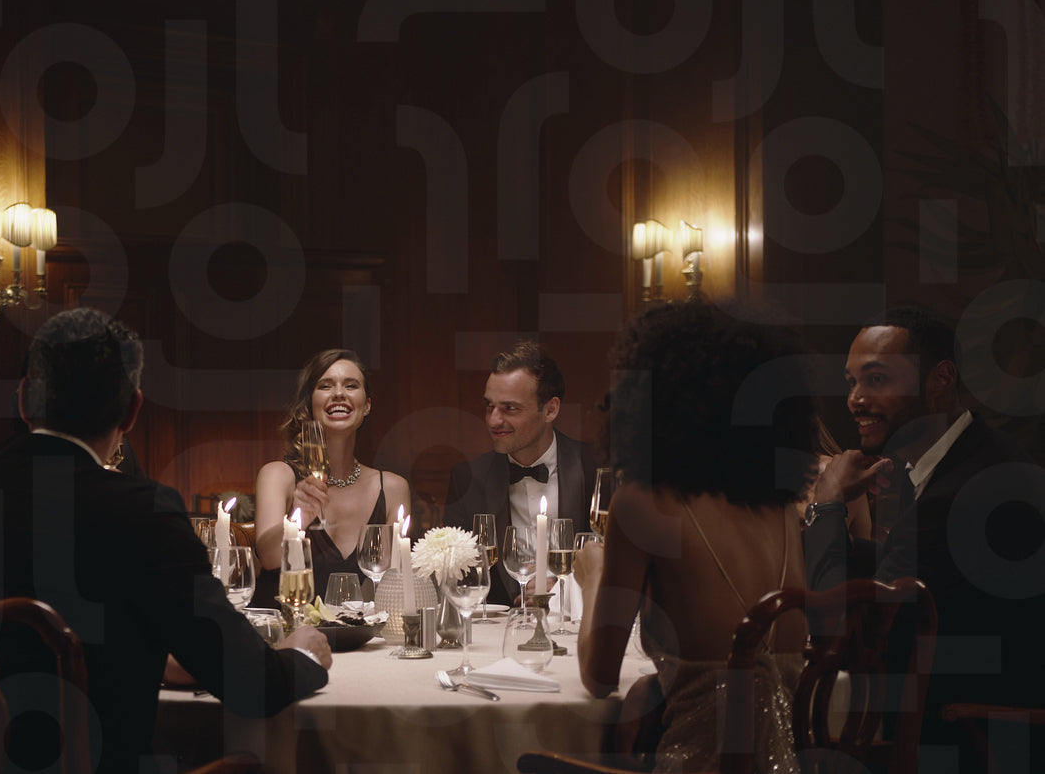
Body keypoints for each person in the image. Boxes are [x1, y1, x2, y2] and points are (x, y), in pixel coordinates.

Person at [0, 308, 330, 774]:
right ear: (132, 410)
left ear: (25, 399)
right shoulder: (144, 512)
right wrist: (301, 655)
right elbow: (252, 686)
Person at [576, 303, 815, 773]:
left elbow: (600, 678)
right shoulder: (782, 511)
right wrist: (659, 685)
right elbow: (743, 675)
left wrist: (592, 577)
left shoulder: (642, 504)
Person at [804, 306, 1045, 753]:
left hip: (966, 741)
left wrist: (827, 503)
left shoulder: (961, 495)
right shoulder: (978, 456)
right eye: (852, 381)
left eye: (876, 379)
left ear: (941, 379)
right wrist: (843, 545)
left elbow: (837, 636)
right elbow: (917, 567)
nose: (855, 399)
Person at [443, 340, 598, 605]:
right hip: (501, 625)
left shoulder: (596, 468)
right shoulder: (467, 478)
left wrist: (564, 587)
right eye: (490, 406)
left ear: (550, 409)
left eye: (510, 408)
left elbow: (620, 561)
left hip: (577, 620)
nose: (493, 420)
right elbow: (456, 577)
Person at [252, 349, 410, 607]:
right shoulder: (277, 476)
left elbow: (394, 587)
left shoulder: (392, 488)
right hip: (287, 628)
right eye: (325, 386)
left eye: (351, 385)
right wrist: (298, 518)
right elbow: (269, 558)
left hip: (362, 631)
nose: (339, 393)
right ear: (310, 404)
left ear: (367, 405)